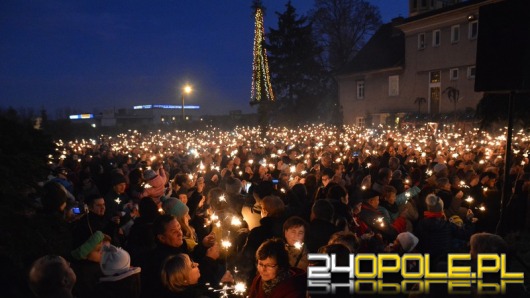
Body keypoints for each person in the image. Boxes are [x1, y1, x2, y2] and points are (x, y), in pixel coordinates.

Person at [70, 231, 110, 298]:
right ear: (85, 254)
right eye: (98, 250)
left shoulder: (99, 265)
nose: (102, 253)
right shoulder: (86, 273)